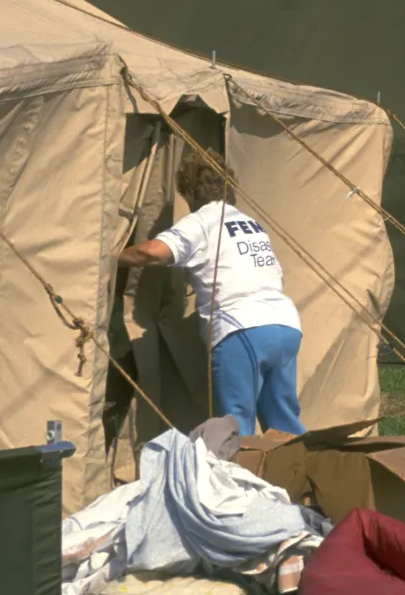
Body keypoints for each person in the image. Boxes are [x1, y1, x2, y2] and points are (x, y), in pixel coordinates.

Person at [117, 151, 305, 436]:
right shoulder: (251, 224)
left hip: (241, 330)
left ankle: (237, 480)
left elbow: (152, 253)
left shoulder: (202, 222)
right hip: (284, 326)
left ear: (189, 193)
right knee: (283, 426)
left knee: (234, 427)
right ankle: (297, 476)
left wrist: (110, 255)